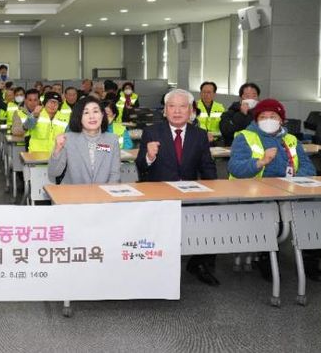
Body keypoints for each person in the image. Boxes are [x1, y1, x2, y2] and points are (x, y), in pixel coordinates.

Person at [135, 89, 218, 286]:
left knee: (211, 218)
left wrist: (214, 192)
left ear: (191, 111)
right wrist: (149, 156)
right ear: (165, 111)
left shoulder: (199, 135)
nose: (177, 111)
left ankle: (198, 264)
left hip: (190, 195)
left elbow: (207, 166)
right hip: (160, 195)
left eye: (182, 107)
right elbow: (141, 166)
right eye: (172, 106)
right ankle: (156, 265)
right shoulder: (152, 132)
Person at [227, 98, 317, 280]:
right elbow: (235, 168)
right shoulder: (245, 137)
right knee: (272, 220)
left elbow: (308, 168)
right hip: (255, 195)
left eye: (273, 116)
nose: (268, 120)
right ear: (256, 119)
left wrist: (292, 181)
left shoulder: (291, 139)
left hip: (289, 192)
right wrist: (260, 162)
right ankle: (266, 257)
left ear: (281, 120)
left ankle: (311, 258)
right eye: (263, 117)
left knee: (313, 214)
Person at [48, 96, 120, 184]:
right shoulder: (68, 139)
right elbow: (53, 173)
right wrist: (57, 150)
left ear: (102, 114)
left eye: (95, 111)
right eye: (86, 112)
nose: (92, 116)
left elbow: (115, 174)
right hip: (73, 191)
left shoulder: (112, 140)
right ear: (79, 117)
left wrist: (104, 192)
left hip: (103, 191)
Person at [220, 82, 260, 146]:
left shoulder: (262, 114)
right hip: (236, 147)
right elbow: (226, 132)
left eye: (254, 96)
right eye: (247, 96)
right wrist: (241, 114)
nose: (251, 98)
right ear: (241, 97)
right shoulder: (230, 113)